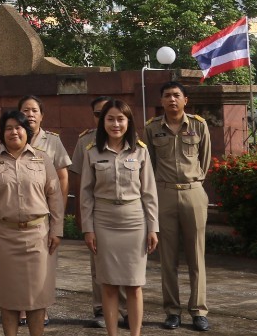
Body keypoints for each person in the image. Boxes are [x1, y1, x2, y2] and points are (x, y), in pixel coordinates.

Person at [0, 110, 64, 336]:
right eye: (8, 128)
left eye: (19, 127)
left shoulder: (42, 159)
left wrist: (57, 229)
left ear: (27, 131)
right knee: (8, 297)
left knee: (37, 296)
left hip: (38, 236)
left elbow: (54, 196)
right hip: (5, 236)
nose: (14, 132)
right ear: (1, 134)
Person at [81, 100, 158, 336]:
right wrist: (88, 228)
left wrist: (153, 227)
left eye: (121, 119)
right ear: (103, 122)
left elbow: (149, 192)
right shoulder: (92, 151)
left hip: (134, 222)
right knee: (109, 285)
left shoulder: (140, 150)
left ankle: (135, 333)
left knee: (135, 285)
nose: (116, 124)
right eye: (110, 119)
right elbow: (85, 193)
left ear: (128, 122)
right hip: (104, 222)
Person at [143, 81, 211, 332]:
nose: (172, 100)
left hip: (193, 192)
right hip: (164, 194)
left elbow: (206, 159)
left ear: (185, 100)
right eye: (167, 96)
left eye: (176, 95)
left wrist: (194, 182)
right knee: (167, 258)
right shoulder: (151, 128)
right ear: (161, 101)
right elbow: (148, 163)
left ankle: (199, 310)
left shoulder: (198, 125)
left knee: (196, 256)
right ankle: (172, 311)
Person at [71, 95, 126, 328]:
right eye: (98, 114)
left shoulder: (130, 141)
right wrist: (81, 215)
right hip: (96, 210)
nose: (104, 118)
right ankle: (102, 309)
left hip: (125, 213)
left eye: (110, 114)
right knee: (99, 264)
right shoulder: (85, 141)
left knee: (126, 263)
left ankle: (125, 310)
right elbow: (79, 181)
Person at [17, 95, 70, 322]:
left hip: (45, 213)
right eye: (25, 110)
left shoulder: (53, 141)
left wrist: (60, 211)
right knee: (18, 266)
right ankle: (20, 308)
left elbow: (62, 177)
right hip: (17, 212)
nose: (30, 114)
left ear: (42, 115)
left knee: (44, 266)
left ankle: (42, 308)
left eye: (34, 110)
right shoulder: (12, 136)